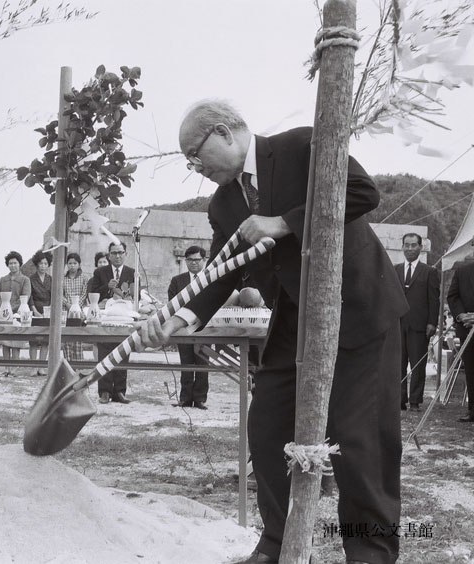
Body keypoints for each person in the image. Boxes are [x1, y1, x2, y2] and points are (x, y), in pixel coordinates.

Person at [140, 99, 406, 564]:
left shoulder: (300, 146)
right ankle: (279, 543)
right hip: (294, 323)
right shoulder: (223, 203)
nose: (195, 167)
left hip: (361, 311)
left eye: (195, 155)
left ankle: (370, 552)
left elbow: (364, 192)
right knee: (266, 429)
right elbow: (221, 271)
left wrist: (283, 222)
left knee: (361, 440)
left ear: (223, 132)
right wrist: (177, 319)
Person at [88, 240, 136, 404]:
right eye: (114, 253)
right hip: (105, 318)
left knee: (123, 352)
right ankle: (105, 391)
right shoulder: (100, 272)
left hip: (124, 318)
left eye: (120, 252)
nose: (117, 256)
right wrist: (107, 287)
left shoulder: (132, 272)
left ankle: (120, 391)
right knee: (104, 354)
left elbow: (136, 296)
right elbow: (93, 294)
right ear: (109, 255)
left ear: (125, 254)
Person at [395, 233, 440, 412]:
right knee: (398, 365)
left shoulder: (429, 271)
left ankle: (415, 401)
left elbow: (434, 300)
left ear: (420, 248)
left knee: (418, 365)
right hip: (398, 324)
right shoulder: (395, 269)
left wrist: (432, 323)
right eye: (407, 245)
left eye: (414, 245)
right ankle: (399, 400)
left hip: (420, 326)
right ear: (402, 247)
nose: (410, 248)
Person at [167, 245, 209, 409]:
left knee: (203, 363)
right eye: (190, 260)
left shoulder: (210, 278)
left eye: (197, 260)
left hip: (204, 327)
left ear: (204, 260)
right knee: (185, 363)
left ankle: (200, 399)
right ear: (185, 261)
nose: (194, 263)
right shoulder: (177, 281)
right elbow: (171, 303)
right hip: (182, 327)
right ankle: (185, 398)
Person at [447, 238, 474, 423]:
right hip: (467, 330)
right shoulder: (462, 272)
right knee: (471, 370)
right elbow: (453, 296)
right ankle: (473, 411)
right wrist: (461, 315)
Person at [0, 251, 31, 377]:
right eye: (10, 263)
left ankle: (14, 368)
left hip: (18, 315)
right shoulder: (2, 279)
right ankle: (6, 368)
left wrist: (12, 308)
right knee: (5, 342)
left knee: (15, 342)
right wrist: (3, 309)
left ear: (19, 264)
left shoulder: (25, 280)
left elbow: (25, 296)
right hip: (4, 316)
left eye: (15, 263)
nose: (13, 265)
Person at [28, 249, 53, 376]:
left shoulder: (51, 279)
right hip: (35, 310)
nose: (43, 266)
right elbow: (30, 297)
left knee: (45, 341)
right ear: (37, 264)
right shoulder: (31, 279)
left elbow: (53, 296)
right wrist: (35, 311)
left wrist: (50, 310)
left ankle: (41, 367)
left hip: (48, 311)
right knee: (33, 340)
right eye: (41, 263)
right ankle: (33, 367)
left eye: (45, 263)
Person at [62, 252, 88, 362]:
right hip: (66, 310)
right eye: (70, 263)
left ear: (79, 264)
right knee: (67, 337)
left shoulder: (84, 278)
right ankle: (67, 363)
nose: (72, 265)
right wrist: (68, 304)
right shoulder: (63, 278)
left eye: (75, 263)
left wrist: (75, 305)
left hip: (79, 312)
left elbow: (84, 293)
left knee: (77, 337)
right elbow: (60, 294)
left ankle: (78, 364)